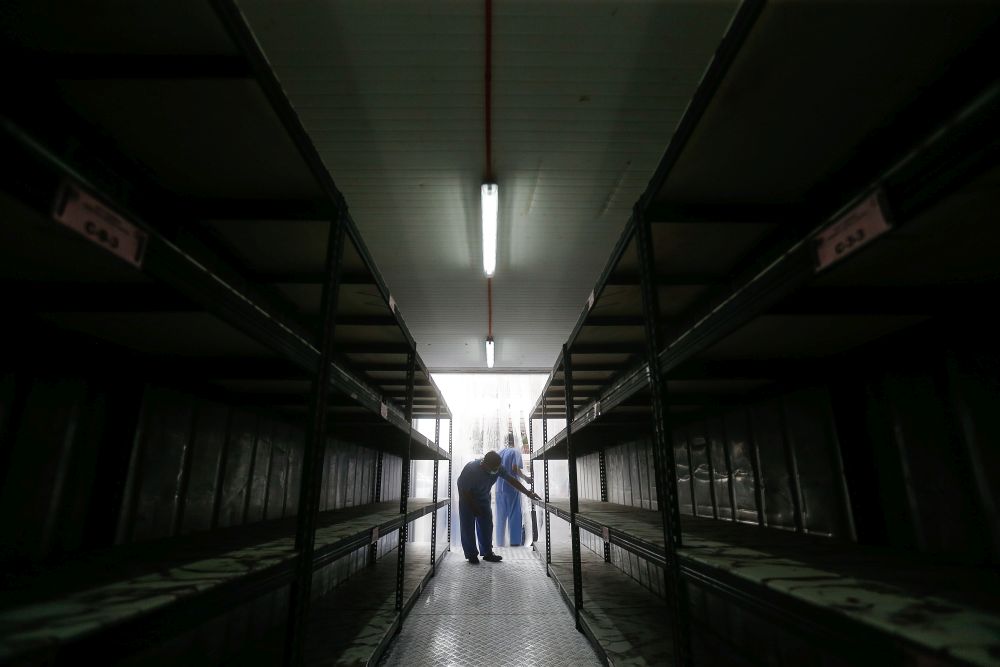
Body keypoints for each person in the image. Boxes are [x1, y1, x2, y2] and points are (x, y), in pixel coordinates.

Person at [457, 450, 540, 564]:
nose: (495, 471)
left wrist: (528, 493)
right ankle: (471, 555)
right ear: (484, 464)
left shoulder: (498, 468)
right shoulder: (471, 469)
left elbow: (511, 480)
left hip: (483, 496)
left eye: (497, 468)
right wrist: (473, 506)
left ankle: (487, 553)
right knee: (467, 526)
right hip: (467, 497)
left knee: (486, 525)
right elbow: (464, 490)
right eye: (493, 468)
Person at [496, 433, 532, 547]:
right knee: (514, 516)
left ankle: (500, 543)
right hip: (511, 489)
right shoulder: (515, 452)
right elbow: (515, 468)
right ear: (514, 441)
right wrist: (526, 478)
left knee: (500, 518)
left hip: (499, 489)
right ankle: (514, 543)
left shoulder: (499, 452)